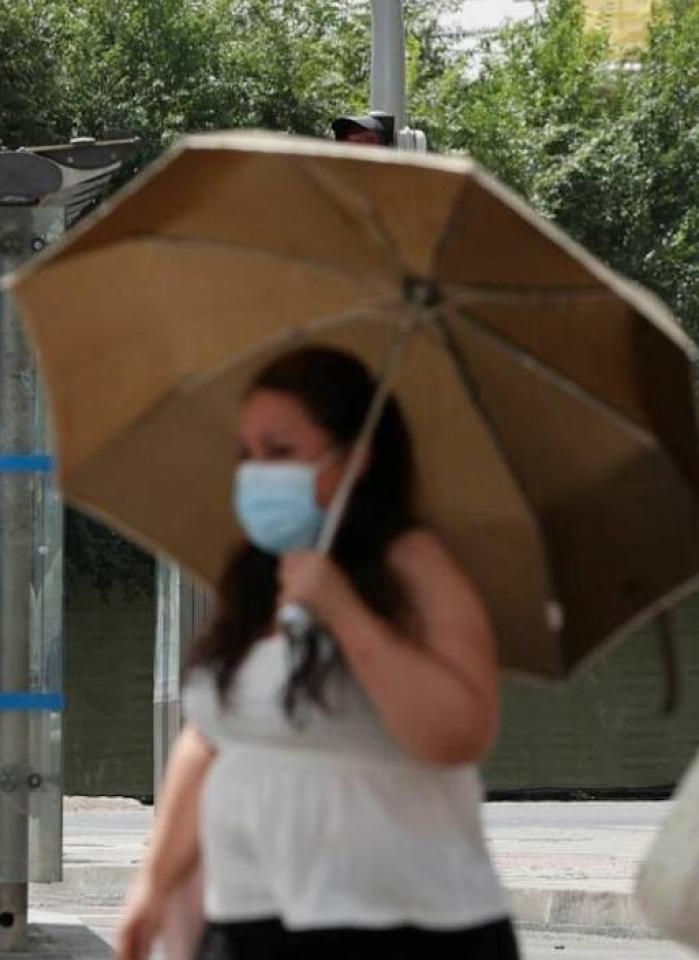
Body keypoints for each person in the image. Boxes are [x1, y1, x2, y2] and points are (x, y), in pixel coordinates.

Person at [117, 347, 519, 960]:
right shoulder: (257, 577)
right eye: (247, 454)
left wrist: (345, 611)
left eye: (280, 452)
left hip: (403, 927)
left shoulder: (414, 565)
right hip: (250, 918)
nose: (256, 474)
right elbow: (211, 736)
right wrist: (154, 884)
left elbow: (458, 734)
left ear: (354, 458)